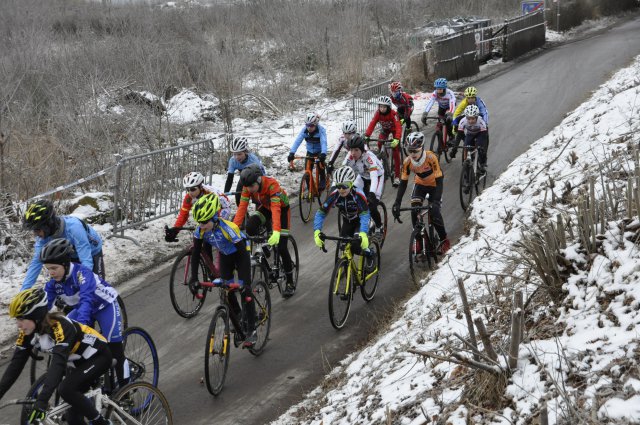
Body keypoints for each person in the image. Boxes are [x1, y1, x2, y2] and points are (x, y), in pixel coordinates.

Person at [0, 288, 114, 425]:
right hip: (76, 364)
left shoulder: (60, 327)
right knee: (73, 419)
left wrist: (42, 401)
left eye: (21, 319)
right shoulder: (27, 332)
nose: (18, 325)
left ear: (36, 316)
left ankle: (101, 422)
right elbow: (14, 367)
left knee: (66, 389)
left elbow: (58, 365)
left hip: (98, 357)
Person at [40, 238, 128, 389]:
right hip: (82, 309)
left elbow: (87, 300)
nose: (51, 273)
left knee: (114, 350)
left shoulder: (82, 274)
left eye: (54, 268)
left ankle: (126, 392)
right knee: (66, 333)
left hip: (104, 306)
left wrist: (80, 328)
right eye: (48, 269)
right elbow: (43, 306)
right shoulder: (53, 283)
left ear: (65, 264)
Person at [189, 194, 258, 347]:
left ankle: (252, 330)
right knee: (226, 289)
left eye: (205, 222)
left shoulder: (228, 228)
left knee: (244, 290)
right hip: (225, 255)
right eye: (199, 222)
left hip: (240, 254)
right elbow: (195, 254)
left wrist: (243, 282)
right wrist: (193, 278)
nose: (201, 225)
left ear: (214, 217)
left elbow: (241, 252)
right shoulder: (200, 230)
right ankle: (240, 317)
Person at [232, 164, 296, 298]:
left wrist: (277, 231)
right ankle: (264, 247)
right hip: (266, 208)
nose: (249, 189)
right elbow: (242, 209)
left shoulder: (272, 185)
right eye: (247, 187)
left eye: (251, 186)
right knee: (250, 226)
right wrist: (233, 229)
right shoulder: (247, 187)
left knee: (282, 247)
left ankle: (290, 282)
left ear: (259, 180)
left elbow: (276, 209)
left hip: (281, 209)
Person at [22, 199, 103, 291]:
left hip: (92, 251)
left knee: (94, 287)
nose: (35, 234)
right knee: (64, 289)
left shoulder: (74, 228)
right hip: (70, 255)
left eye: (37, 230)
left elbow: (86, 260)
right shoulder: (43, 237)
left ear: (48, 224)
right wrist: (23, 291)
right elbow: (36, 263)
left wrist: (84, 281)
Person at [392, 132, 450, 255]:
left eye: (415, 151)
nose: (412, 154)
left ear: (422, 148)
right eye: (410, 151)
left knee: (435, 213)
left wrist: (435, 201)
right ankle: (418, 241)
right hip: (420, 185)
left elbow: (440, 181)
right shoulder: (407, 162)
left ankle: (444, 240)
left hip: (435, 186)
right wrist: (397, 203)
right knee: (414, 209)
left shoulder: (431, 158)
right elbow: (403, 184)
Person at [164, 172, 232, 271]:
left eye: (192, 189)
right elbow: (183, 214)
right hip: (206, 213)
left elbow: (221, 209)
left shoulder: (210, 193)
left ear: (200, 186)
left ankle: (224, 264)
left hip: (223, 208)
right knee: (204, 238)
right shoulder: (189, 197)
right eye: (187, 189)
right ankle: (211, 269)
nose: (190, 192)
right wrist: (176, 230)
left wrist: (215, 222)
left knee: (214, 234)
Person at [313, 167, 375, 273]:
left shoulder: (358, 194)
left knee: (356, 246)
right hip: (347, 221)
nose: (341, 189)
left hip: (360, 222)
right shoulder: (335, 195)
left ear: (351, 184)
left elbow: (365, 215)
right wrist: (317, 231)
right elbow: (321, 213)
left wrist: (363, 233)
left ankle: (370, 254)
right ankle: (346, 263)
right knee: (343, 245)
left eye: (344, 186)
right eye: (338, 186)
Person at [342, 134, 384, 234]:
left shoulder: (369, 158)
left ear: (362, 149)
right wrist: (334, 188)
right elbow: (342, 171)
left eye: (356, 150)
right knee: (353, 197)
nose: (353, 153)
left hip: (377, 177)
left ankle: (379, 226)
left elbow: (374, 177)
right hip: (363, 176)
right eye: (351, 150)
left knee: (372, 205)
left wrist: (372, 193)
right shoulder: (350, 156)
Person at [363, 95, 403, 187]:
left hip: (394, 130)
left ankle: (397, 176)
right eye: (380, 106)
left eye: (384, 107)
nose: (382, 109)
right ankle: (384, 156)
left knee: (395, 151)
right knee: (379, 143)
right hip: (385, 130)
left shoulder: (393, 114)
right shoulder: (378, 113)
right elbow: (372, 123)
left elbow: (398, 127)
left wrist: (397, 139)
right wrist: (367, 135)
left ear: (388, 107)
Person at [287, 112, 328, 191]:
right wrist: (291, 153)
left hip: (319, 151)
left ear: (316, 124)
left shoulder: (321, 130)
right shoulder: (304, 130)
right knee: (307, 173)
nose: (309, 127)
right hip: (309, 152)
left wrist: (323, 153)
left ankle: (323, 179)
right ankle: (311, 191)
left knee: (320, 166)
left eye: (311, 125)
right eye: (307, 125)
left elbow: (324, 142)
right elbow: (297, 141)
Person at [224, 136, 267, 206]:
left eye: (239, 154)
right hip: (244, 176)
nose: (237, 157)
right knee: (238, 197)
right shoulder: (232, 160)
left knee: (258, 199)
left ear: (245, 152)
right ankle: (243, 215)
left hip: (257, 177)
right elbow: (229, 179)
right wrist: (225, 194)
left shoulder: (253, 160)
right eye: (234, 154)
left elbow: (262, 177)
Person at [449, 105, 489, 177]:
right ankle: (466, 164)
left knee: (480, 148)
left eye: (473, 119)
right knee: (466, 146)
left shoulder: (481, 122)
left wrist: (480, 146)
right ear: (466, 117)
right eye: (469, 119)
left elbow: (484, 136)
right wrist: (454, 149)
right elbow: (459, 136)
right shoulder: (463, 121)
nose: (470, 121)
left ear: (476, 117)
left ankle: (482, 164)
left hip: (480, 134)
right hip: (470, 134)